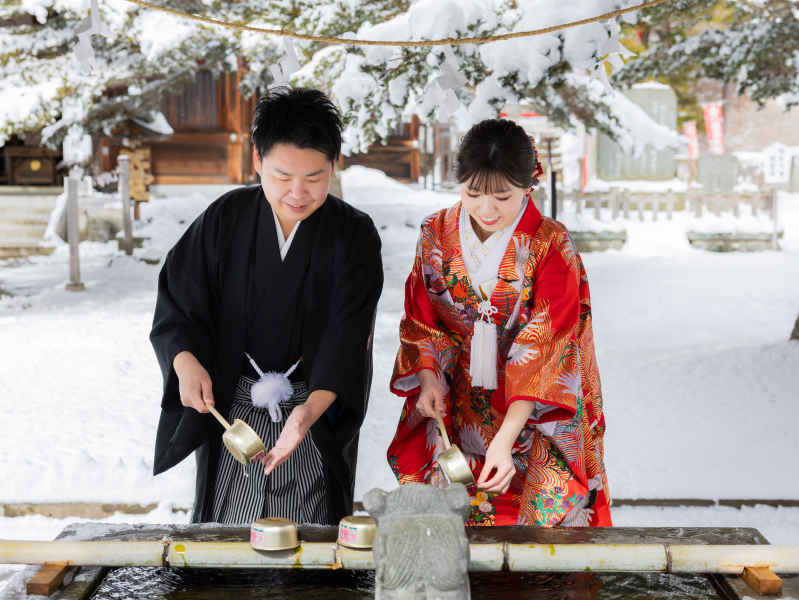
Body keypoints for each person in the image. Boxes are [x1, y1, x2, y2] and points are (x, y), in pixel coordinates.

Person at [150, 87, 384, 525]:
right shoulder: (226, 217)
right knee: (227, 537)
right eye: (281, 177)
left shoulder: (354, 233)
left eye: (314, 178)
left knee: (307, 541)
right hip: (231, 412)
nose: (298, 193)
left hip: (312, 411)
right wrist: (185, 363)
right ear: (256, 161)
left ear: (334, 166)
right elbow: (180, 301)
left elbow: (349, 334)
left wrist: (308, 414)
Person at [386, 118, 611, 527]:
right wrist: (428, 379)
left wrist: (506, 438)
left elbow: (544, 349)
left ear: (530, 185)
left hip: (534, 408)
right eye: (473, 193)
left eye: (503, 197)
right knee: (448, 528)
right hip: (455, 401)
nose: (487, 209)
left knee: (540, 542)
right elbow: (421, 318)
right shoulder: (435, 233)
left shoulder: (550, 243)